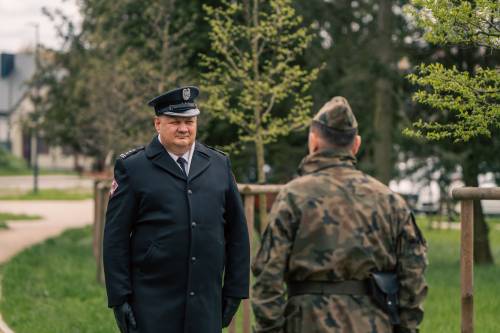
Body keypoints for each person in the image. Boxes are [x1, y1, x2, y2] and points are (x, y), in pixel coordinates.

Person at [251, 96, 428, 333]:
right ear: (356, 145)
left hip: (306, 323)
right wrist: (406, 328)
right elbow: (413, 274)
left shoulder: (293, 197)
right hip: (373, 324)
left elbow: (267, 277)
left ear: (313, 142)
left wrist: (270, 330)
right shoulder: (390, 201)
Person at [103, 86, 250, 333]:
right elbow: (115, 238)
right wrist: (119, 298)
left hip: (206, 302)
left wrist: (235, 290)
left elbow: (237, 234)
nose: (184, 128)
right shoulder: (133, 168)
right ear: (157, 123)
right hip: (153, 303)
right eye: (175, 121)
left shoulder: (218, 165)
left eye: (189, 121)